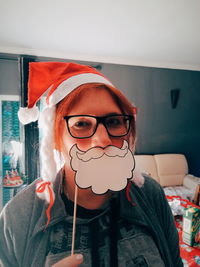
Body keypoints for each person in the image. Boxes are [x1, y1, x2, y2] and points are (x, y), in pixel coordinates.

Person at [0, 62, 183, 267]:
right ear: (56, 137)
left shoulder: (150, 194)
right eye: (81, 124)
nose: (102, 139)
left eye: (114, 122)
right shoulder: (18, 216)